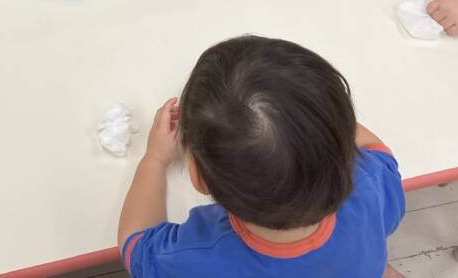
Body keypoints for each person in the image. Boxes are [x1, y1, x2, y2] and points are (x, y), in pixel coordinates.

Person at [119, 35, 404, 277]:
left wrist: (155, 159)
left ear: (199, 177)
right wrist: (314, 116)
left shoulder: (195, 257)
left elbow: (134, 244)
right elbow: (375, 149)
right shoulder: (372, 184)